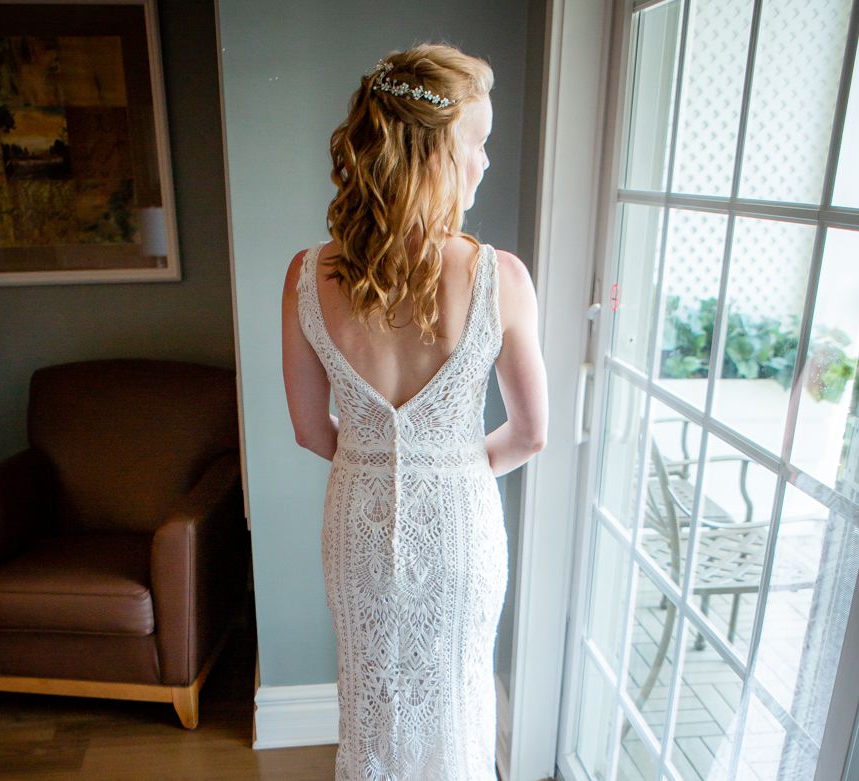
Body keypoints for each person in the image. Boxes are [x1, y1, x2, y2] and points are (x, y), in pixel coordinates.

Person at [281, 43, 548, 780]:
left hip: (357, 523)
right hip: (462, 524)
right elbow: (531, 432)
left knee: (372, 697)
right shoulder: (500, 277)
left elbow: (309, 429)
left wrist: (380, 467)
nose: (485, 163)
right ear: (433, 154)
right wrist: (449, 470)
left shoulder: (308, 275)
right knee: (457, 699)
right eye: (477, 144)